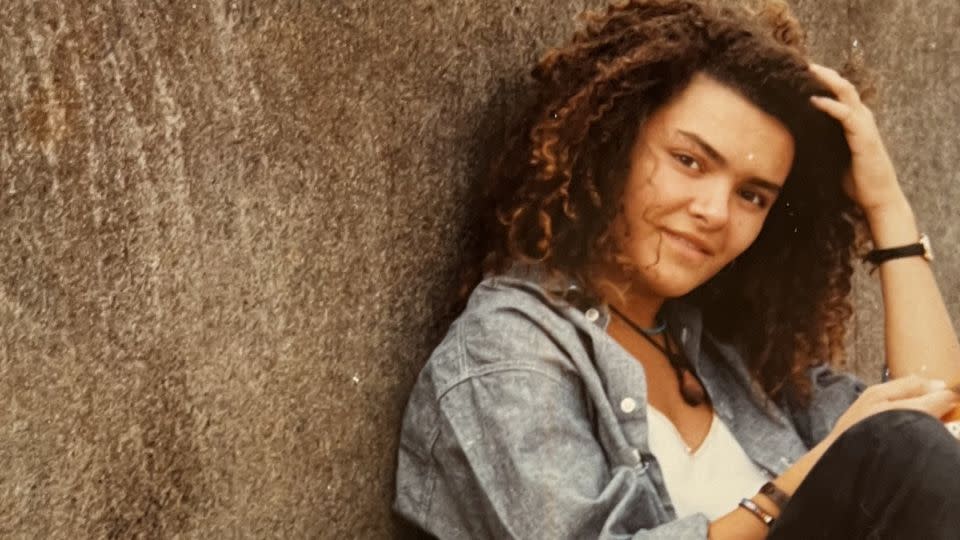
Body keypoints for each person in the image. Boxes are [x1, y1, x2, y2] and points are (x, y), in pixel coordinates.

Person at [393, 0, 960, 538]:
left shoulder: (732, 360)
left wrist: (886, 206)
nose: (714, 212)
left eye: (752, 196)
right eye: (689, 161)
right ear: (613, 143)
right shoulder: (508, 349)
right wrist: (791, 487)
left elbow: (940, 412)